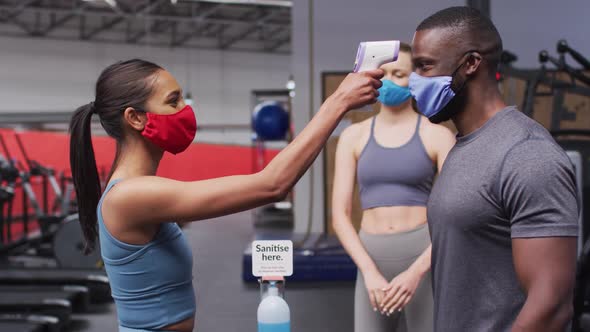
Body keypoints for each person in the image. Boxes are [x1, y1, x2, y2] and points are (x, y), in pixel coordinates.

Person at [68, 59, 384, 332]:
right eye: (173, 101)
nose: (185, 110)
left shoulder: (139, 188)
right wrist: (337, 103)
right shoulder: (130, 195)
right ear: (135, 118)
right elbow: (271, 185)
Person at [409, 6, 579, 332]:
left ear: (471, 63)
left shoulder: (527, 154)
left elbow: (552, 308)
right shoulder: (463, 145)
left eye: (425, 66)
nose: (415, 81)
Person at [331, 43, 455, 332]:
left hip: (422, 254)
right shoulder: (353, 137)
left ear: (413, 79)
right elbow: (340, 216)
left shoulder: (438, 136)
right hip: (370, 254)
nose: (388, 80)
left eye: (398, 73)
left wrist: (417, 272)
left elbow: (453, 216)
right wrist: (369, 271)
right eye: (382, 73)